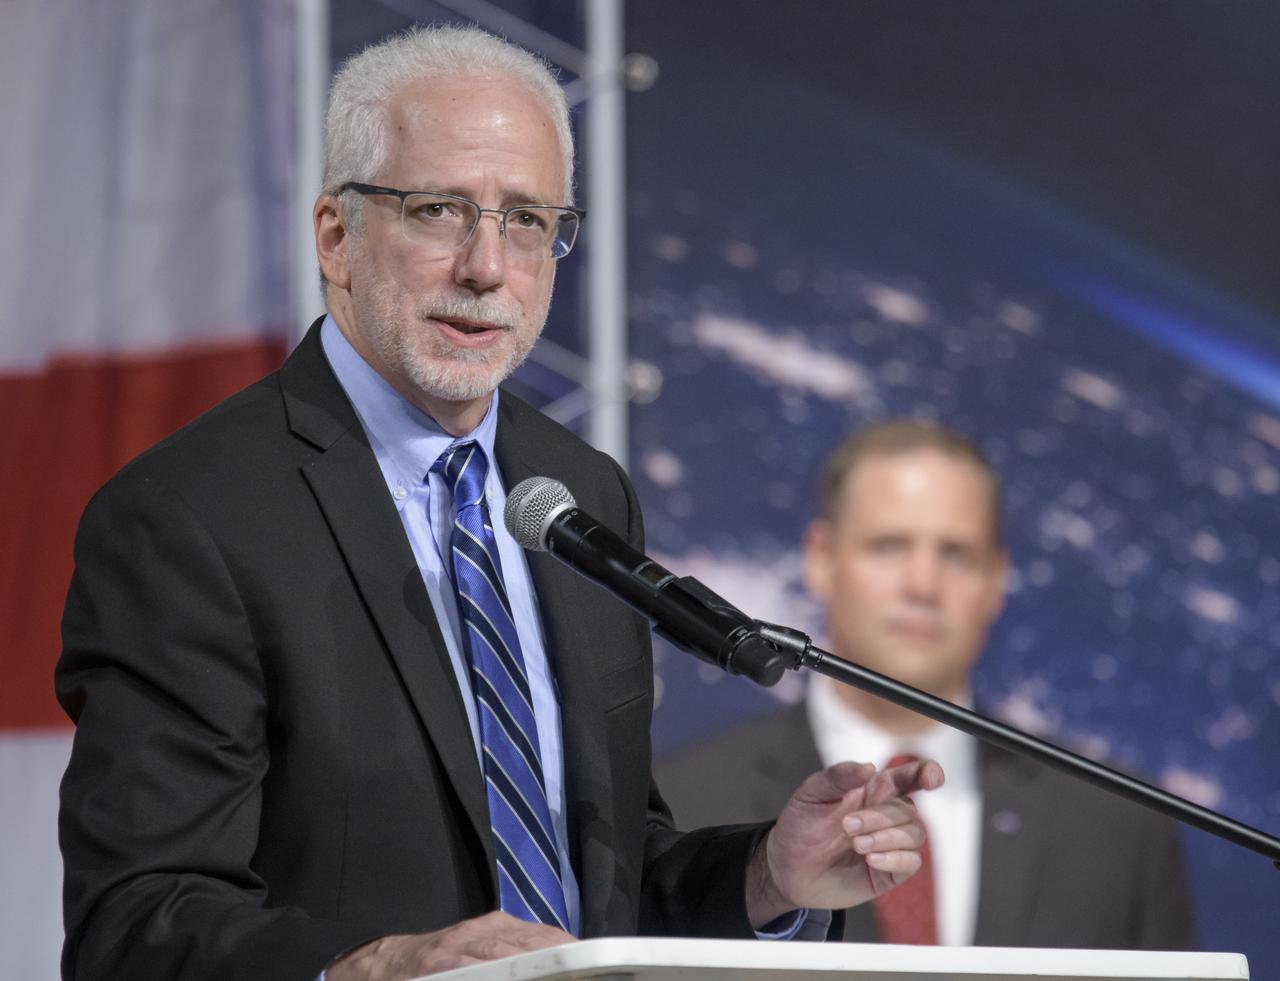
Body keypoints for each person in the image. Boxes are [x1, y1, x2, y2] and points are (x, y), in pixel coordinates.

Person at [55, 27, 942, 981]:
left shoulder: (574, 493)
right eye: (439, 209)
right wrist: (382, 963)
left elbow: (603, 883)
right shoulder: (190, 517)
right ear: (336, 235)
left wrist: (770, 876)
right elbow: (134, 920)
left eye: (527, 220)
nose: (487, 267)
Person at [656, 420, 1195, 950]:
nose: (923, 584)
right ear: (822, 559)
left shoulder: (1118, 826)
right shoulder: (686, 801)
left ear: (996, 580)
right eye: (890, 546)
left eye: (956, 554)